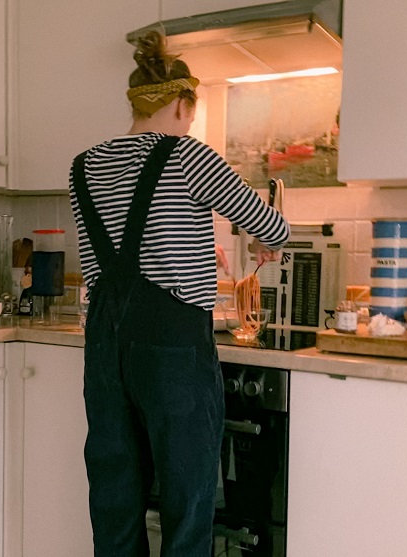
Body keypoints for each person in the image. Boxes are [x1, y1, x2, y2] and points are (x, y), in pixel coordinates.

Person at [68, 30, 290, 557]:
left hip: (104, 342)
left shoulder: (84, 165)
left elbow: (113, 255)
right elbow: (272, 227)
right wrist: (262, 239)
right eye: (191, 113)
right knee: (187, 499)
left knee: (115, 494)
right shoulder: (189, 156)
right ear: (182, 104)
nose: (190, 122)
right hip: (171, 340)